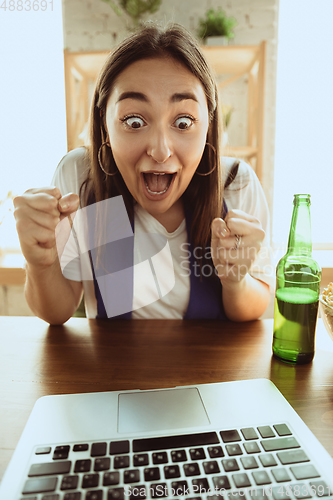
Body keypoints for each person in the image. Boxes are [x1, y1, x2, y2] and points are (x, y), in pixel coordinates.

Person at [13, 23, 273, 325]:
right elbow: (57, 311)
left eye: (184, 122)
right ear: (105, 121)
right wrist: (40, 262)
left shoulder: (235, 184)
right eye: (134, 122)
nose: (161, 151)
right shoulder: (82, 178)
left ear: (209, 124)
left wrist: (236, 281)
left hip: (213, 371)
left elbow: (253, 307)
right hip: (112, 370)